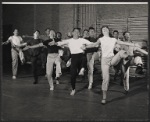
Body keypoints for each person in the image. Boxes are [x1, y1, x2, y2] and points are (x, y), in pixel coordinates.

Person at [84, 25, 142, 104]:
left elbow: (123, 42)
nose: (104, 30)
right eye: (103, 29)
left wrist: (134, 45)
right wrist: (85, 46)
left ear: (108, 30)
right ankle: (104, 98)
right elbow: (94, 45)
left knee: (121, 52)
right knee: (105, 79)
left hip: (112, 59)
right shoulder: (101, 39)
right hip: (104, 61)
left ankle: (127, 58)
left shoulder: (113, 39)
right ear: (102, 32)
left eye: (105, 29)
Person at [51, 28, 92, 96]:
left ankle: (82, 69)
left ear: (79, 34)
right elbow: (60, 43)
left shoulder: (82, 40)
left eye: (78, 32)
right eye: (75, 32)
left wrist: (86, 47)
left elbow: (91, 44)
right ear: (72, 33)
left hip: (81, 56)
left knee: (84, 57)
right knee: (73, 75)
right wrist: (55, 43)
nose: (76, 33)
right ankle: (73, 89)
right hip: (74, 57)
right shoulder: (69, 41)